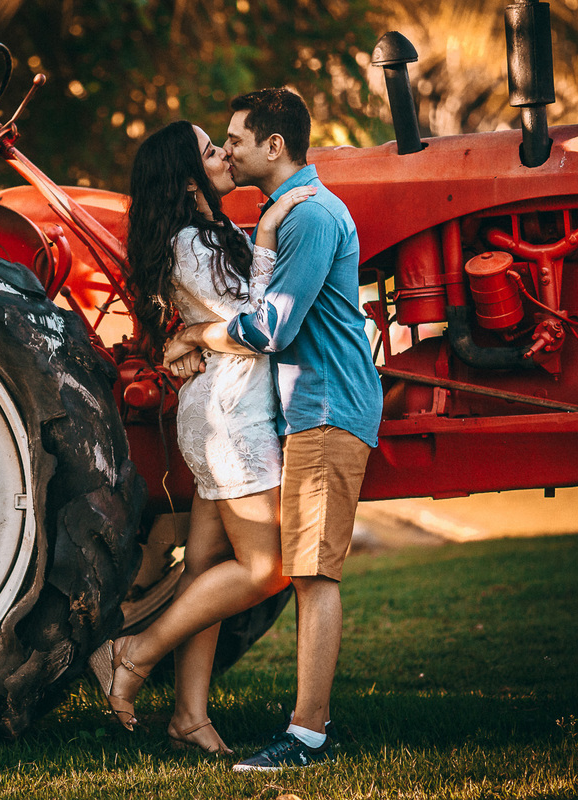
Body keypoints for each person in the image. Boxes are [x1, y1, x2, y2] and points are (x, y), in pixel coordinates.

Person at [162, 88, 383, 770]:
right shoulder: (283, 216)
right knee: (303, 569)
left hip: (325, 406)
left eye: (233, 140)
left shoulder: (311, 217)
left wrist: (193, 333)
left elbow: (270, 326)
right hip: (306, 406)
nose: (226, 152)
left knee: (312, 574)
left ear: (274, 146)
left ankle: (307, 736)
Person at [90, 120, 312, 756]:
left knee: (208, 569)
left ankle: (189, 716)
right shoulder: (193, 242)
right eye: (212, 150)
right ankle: (132, 654)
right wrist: (268, 236)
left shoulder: (203, 236)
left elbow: (227, 319)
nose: (224, 154)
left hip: (226, 404)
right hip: (231, 416)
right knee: (268, 568)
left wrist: (191, 334)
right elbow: (262, 321)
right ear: (187, 177)